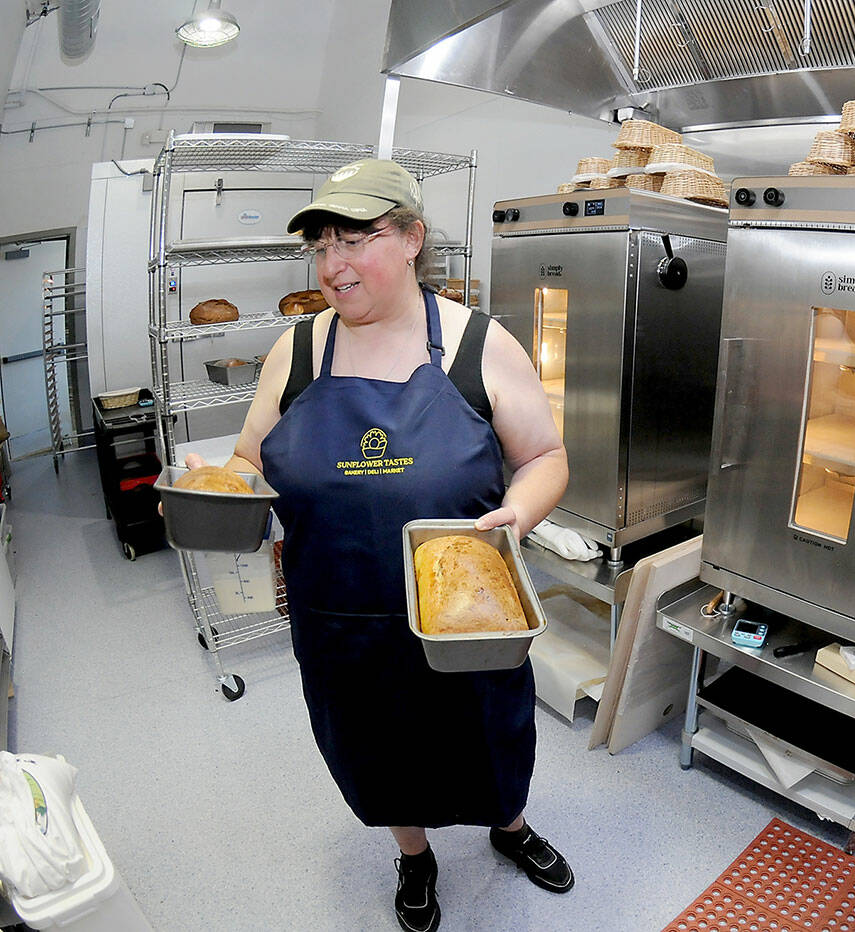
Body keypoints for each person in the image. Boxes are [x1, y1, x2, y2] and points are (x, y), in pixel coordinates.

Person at [187, 159, 571, 932]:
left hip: (467, 619)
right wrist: (221, 484)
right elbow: (252, 457)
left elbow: (545, 457)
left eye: (355, 240)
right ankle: (414, 856)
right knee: (372, 748)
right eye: (321, 246)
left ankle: (510, 828)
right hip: (339, 620)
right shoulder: (297, 352)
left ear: (412, 238)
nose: (334, 265)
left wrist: (518, 515)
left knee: (489, 736)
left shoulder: (477, 345)